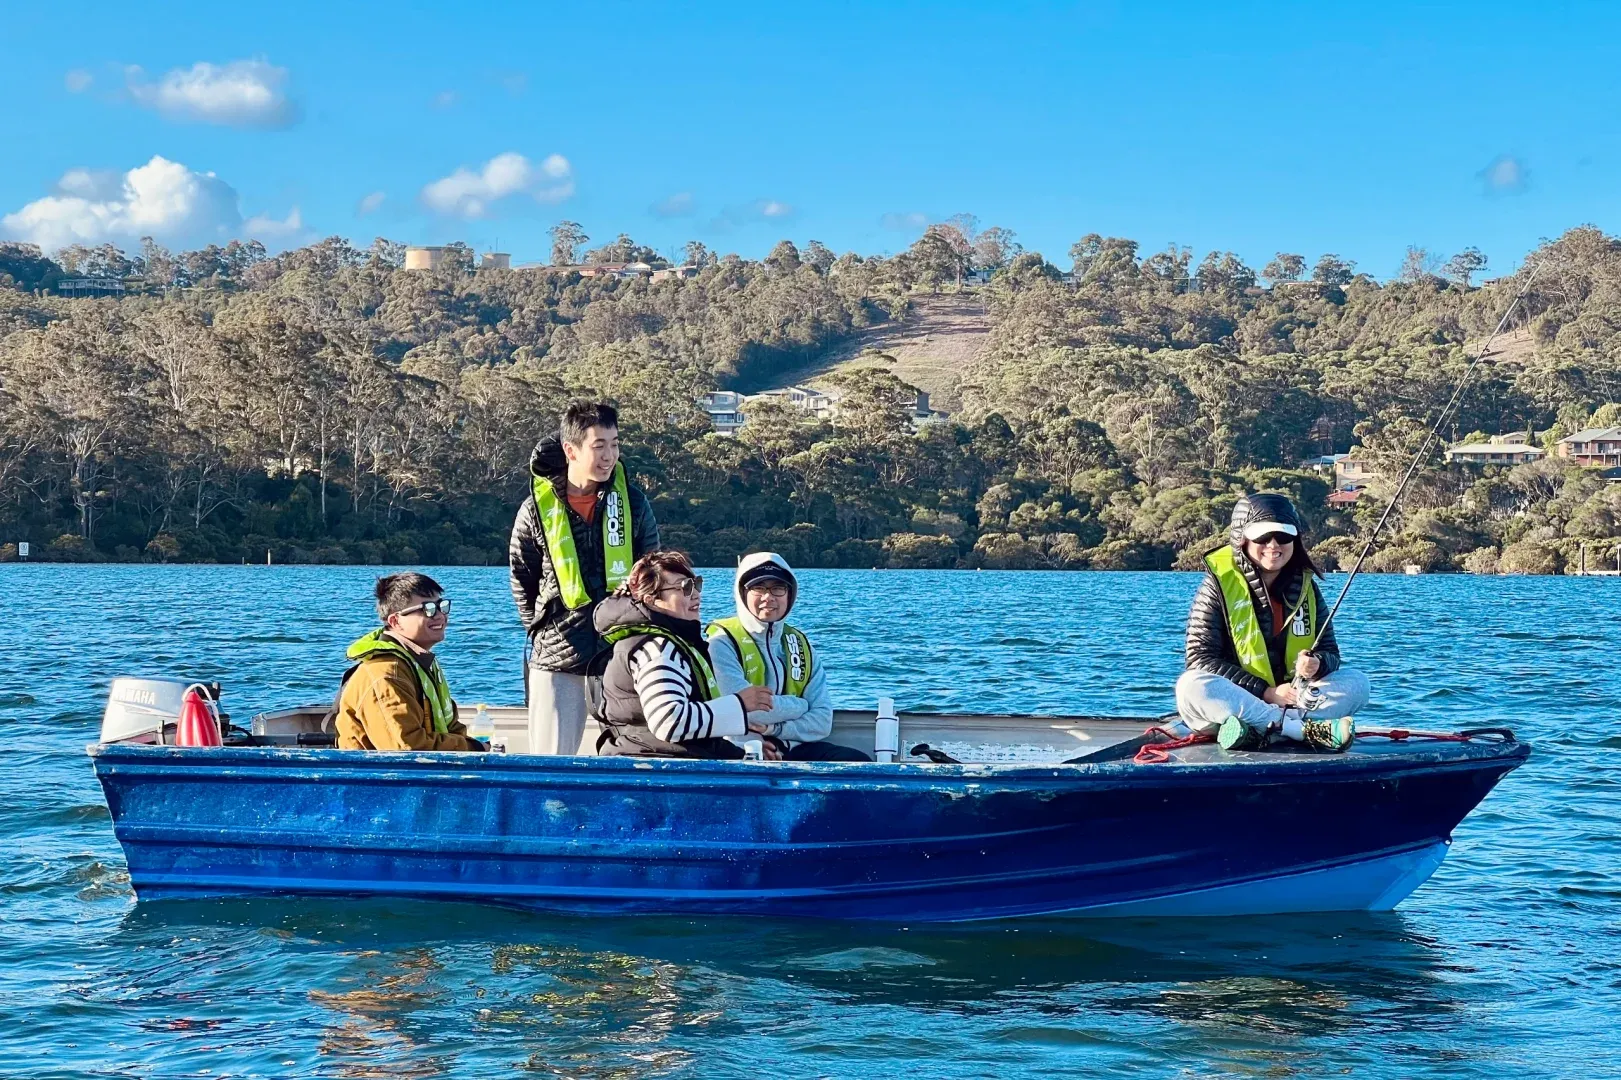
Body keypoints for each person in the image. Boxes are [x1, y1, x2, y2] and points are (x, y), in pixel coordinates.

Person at [509, 401, 659, 755]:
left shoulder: (634, 504)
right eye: (599, 446)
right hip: (557, 655)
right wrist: (545, 628)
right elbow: (521, 576)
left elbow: (652, 572)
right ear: (570, 450)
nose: (609, 456)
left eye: (615, 444)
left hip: (622, 652)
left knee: (635, 761)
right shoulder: (535, 509)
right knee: (551, 768)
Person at [1175, 493, 1369, 752]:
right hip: (1239, 703)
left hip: (1294, 702)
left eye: (1284, 536)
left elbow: (1331, 653)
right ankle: (1297, 730)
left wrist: (1318, 663)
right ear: (1242, 539)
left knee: (1358, 682)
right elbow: (1200, 660)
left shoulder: (1307, 587)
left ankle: (1263, 732)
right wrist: (1266, 692)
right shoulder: (1216, 586)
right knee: (1191, 687)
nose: (1273, 545)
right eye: (1262, 537)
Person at [592, 550, 774, 758]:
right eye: (684, 588)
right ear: (651, 600)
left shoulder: (660, 642)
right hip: (656, 770)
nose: (695, 594)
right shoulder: (658, 649)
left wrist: (739, 745)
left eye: (696, 584)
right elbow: (669, 723)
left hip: (655, 759)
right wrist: (739, 704)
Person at [707, 552, 870, 762]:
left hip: (791, 745)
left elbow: (822, 720)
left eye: (778, 588)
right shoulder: (721, 642)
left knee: (857, 762)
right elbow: (743, 711)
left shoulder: (801, 645)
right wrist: (800, 705)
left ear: (789, 594)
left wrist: (775, 728)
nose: (769, 597)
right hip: (742, 748)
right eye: (758, 588)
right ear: (742, 593)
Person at [334, 572, 487, 752]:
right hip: (383, 777)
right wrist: (474, 748)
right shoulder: (386, 673)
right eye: (428, 609)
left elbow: (451, 728)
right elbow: (405, 748)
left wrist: (474, 748)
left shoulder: (421, 663)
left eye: (441, 606)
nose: (439, 616)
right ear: (396, 621)